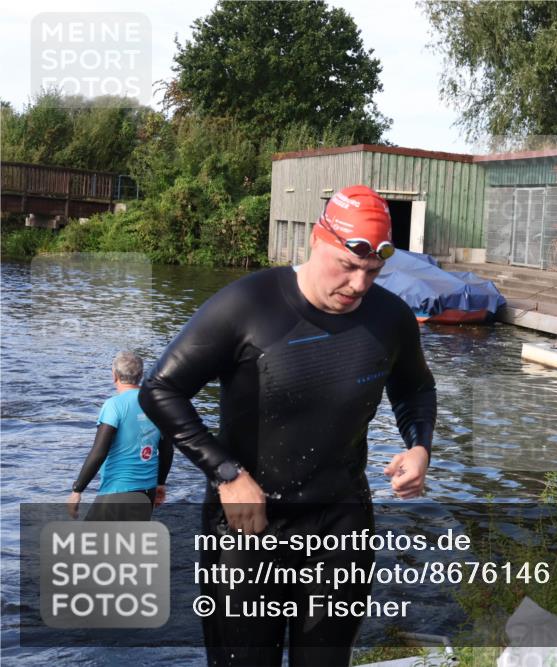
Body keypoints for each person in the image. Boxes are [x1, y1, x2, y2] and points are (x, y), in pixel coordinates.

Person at [138, 185, 437, 667]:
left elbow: (416, 389)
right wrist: (226, 474)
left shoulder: (391, 318)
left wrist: (419, 446)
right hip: (247, 528)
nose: (359, 285)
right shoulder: (248, 305)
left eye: (373, 271)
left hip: (341, 524)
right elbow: (160, 390)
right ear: (317, 241)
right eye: (347, 265)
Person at [68, 350, 172, 521]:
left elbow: (99, 452)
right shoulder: (157, 403)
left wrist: (77, 490)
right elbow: (167, 449)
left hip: (117, 491)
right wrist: (160, 483)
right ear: (140, 375)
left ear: (114, 375)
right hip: (147, 492)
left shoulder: (114, 406)